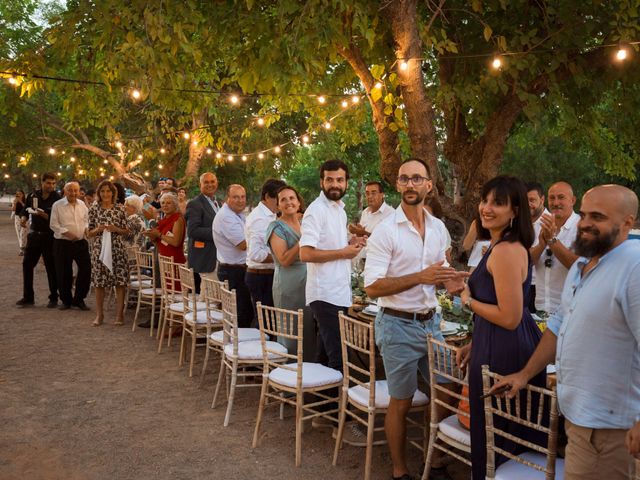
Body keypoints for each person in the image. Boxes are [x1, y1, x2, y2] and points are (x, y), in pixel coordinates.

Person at [492, 184, 640, 480]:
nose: (585, 223)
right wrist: (524, 374)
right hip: (578, 417)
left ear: (628, 222)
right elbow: (558, 326)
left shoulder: (633, 267)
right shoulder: (582, 264)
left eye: (597, 217)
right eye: (584, 215)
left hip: (608, 428)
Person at [364, 158, 468, 480]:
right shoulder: (384, 231)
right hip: (396, 324)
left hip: (432, 323)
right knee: (402, 401)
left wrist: (452, 283)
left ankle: (434, 460)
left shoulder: (438, 229)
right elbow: (371, 287)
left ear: (428, 186)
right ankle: (400, 471)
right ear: (397, 185)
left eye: (417, 179)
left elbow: (438, 275)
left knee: (448, 390)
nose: (410, 184)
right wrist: (419, 276)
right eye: (404, 179)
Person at [456, 175, 545, 480]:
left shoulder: (506, 250)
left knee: (500, 440)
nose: (486, 208)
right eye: (485, 200)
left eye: (498, 202)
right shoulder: (497, 246)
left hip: (506, 350)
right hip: (493, 343)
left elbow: (509, 316)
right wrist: (475, 340)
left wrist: (468, 301)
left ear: (515, 211)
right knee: (493, 435)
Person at [299, 159, 365, 428]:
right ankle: (342, 420)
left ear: (346, 181)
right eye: (330, 180)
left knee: (325, 355)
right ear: (321, 181)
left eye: (339, 180)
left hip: (339, 292)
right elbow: (306, 253)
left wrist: (350, 245)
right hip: (324, 294)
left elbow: (334, 248)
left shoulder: (339, 209)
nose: (335, 184)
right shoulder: (316, 211)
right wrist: (343, 252)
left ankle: (321, 411)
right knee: (340, 356)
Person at [265, 185, 315, 360]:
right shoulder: (276, 227)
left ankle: (309, 376)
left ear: (298, 201)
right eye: (283, 200)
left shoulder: (304, 223)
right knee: (291, 333)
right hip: (288, 286)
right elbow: (284, 260)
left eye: (292, 198)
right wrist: (303, 241)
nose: (288, 202)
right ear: (278, 206)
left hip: (308, 285)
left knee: (308, 331)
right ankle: (289, 379)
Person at [530, 181, 579, 315]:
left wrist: (552, 240)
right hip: (540, 306)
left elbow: (577, 266)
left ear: (573, 200)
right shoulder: (540, 224)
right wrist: (541, 245)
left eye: (561, 197)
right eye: (552, 198)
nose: (556, 202)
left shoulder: (580, 227)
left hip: (570, 309)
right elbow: (527, 262)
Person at [87, 180, 130, 326]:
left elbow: (127, 231)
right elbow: (89, 233)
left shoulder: (120, 209)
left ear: (113, 193)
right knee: (99, 282)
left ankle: (119, 315)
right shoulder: (94, 209)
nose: (105, 194)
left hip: (118, 249)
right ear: (99, 193)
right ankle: (99, 315)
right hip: (99, 249)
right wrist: (98, 229)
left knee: (120, 282)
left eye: (108, 191)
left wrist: (115, 229)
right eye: (102, 191)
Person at [17, 172, 61, 308]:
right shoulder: (32, 195)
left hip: (49, 237)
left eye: (53, 183)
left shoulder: (57, 198)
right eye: (48, 183)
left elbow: (57, 219)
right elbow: (25, 211)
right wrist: (23, 219)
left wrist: (43, 215)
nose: (51, 186)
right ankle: (28, 297)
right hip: (34, 235)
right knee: (27, 265)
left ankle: (53, 297)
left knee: (51, 267)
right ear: (42, 182)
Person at [245, 178, 287, 321]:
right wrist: (282, 257)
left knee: (270, 322)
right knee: (265, 324)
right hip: (261, 277)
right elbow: (255, 254)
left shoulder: (270, 215)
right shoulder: (260, 218)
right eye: (280, 199)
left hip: (268, 276)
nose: (283, 204)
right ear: (268, 196)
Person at [212, 184, 253, 327]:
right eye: (236, 197)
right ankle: (238, 347)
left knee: (244, 312)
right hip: (233, 272)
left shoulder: (238, 214)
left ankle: (237, 345)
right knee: (242, 314)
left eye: (243, 197)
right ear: (227, 199)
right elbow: (243, 244)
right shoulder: (226, 217)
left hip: (236, 269)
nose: (240, 200)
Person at [49, 181, 91, 311]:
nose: (73, 193)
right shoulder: (57, 205)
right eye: (70, 190)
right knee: (63, 272)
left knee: (86, 269)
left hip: (80, 242)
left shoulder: (82, 204)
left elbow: (86, 220)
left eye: (75, 190)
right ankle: (66, 300)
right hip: (63, 243)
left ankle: (79, 299)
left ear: (79, 191)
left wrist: (85, 229)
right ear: (65, 191)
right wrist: (67, 233)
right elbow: (53, 224)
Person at [185, 172, 220, 294]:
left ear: (217, 183)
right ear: (200, 184)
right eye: (206, 182)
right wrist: (218, 233)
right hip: (205, 257)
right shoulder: (195, 203)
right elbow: (192, 231)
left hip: (216, 256)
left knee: (211, 296)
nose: (210, 185)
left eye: (212, 181)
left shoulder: (216, 202)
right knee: (211, 297)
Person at [526, 181, 549, 313]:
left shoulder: (550, 222)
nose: (528, 204)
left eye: (532, 200)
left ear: (542, 199)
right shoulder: (519, 223)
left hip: (540, 287)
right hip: (522, 283)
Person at [144, 192, 186, 264]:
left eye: (168, 203)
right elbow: (158, 242)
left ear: (175, 205)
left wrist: (159, 234)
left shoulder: (178, 219)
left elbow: (176, 242)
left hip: (174, 260)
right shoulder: (163, 219)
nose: (165, 205)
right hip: (164, 259)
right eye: (163, 203)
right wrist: (151, 236)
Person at [11, 189, 27, 255]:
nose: (18, 195)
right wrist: (15, 203)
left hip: (25, 218)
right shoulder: (14, 201)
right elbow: (13, 210)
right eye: (17, 194)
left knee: (23, 233)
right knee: (19, 233)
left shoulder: (26, 201)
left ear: (23, 194)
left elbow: (26, 208)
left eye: (20, 194)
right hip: (17, 218)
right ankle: (23, 248)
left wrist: (21, 202)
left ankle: (22, 249)